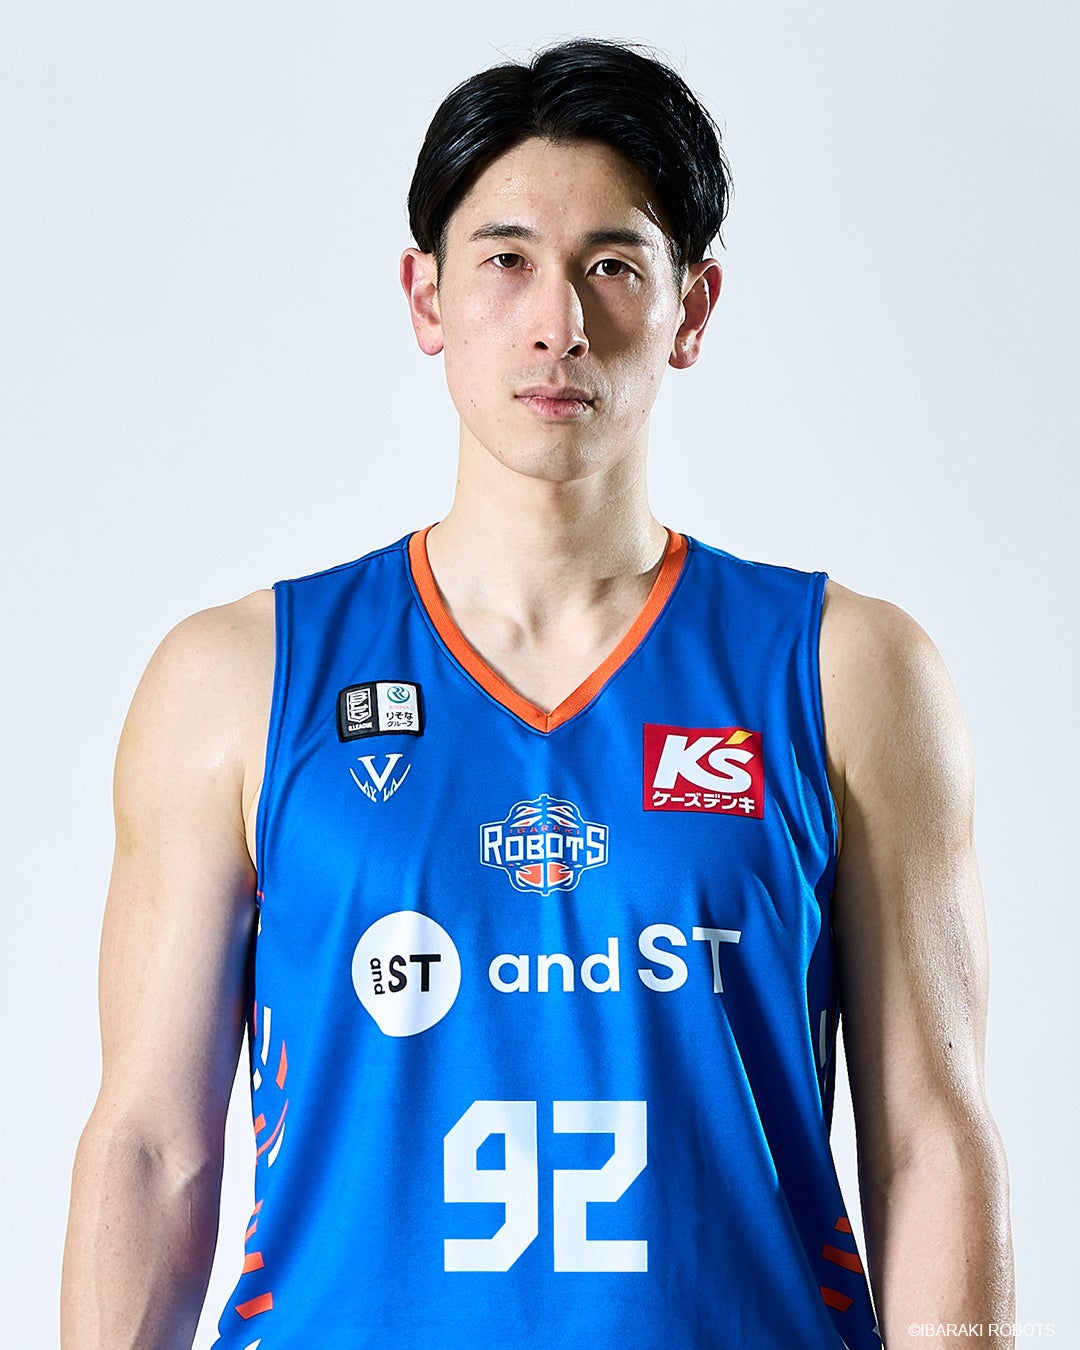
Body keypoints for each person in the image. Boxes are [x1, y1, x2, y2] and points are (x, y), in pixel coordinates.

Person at [61, 37, 1014, 1349]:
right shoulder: (238, 679)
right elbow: (153, 1145)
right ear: (426, 298)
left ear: (692, 307)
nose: (558, 320)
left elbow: (931, 1140)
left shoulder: (847, 671)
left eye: (612, 265)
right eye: (505, 261)